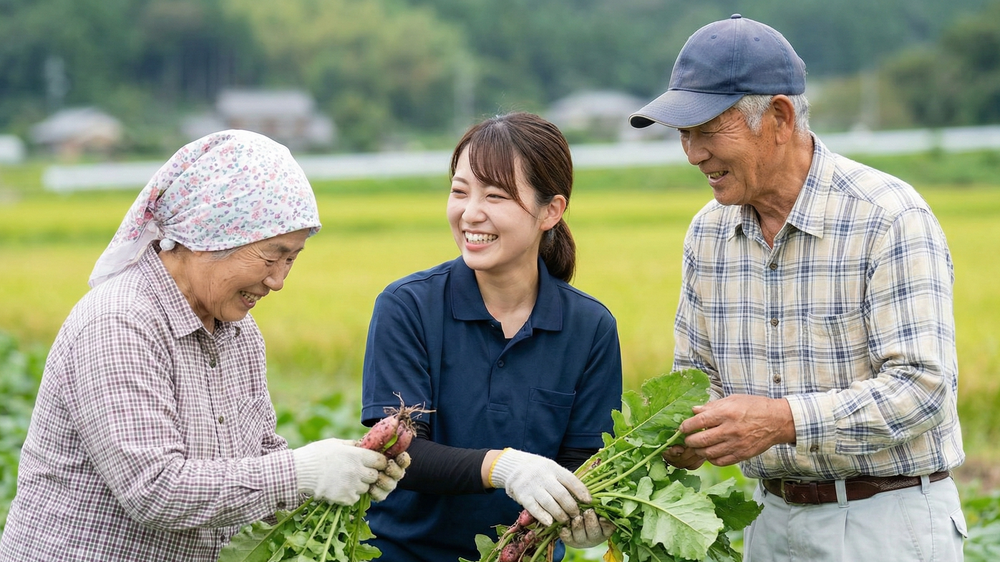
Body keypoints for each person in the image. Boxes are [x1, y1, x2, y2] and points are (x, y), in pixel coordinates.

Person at [628, 14, 967, 562]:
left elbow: (923, 392)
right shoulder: (708, 233)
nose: (693, 154)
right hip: (772, 522)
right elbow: (698, 379)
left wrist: (782, 420)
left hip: (887, 524)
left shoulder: (886, 216)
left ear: (780, 117)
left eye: (708, 130)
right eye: (684, 134)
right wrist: (682, 434)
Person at [0, 130, 405, 561]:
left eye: (293, 258)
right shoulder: (120, 322)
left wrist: (347, 471)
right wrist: (301, 472)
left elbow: (261, 460)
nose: (278, 280)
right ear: (208, 235)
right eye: (271, 256)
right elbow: (154, 489)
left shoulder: (239, 333)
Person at [360, 112, 622, 561]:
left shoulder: (590, 326)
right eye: (460, 192)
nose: (470, 212)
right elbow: (401, 453)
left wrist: (589, 515)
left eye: (495, 195)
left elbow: (586, 462)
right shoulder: (407, 307)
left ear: (550, 211)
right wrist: (504, 467)